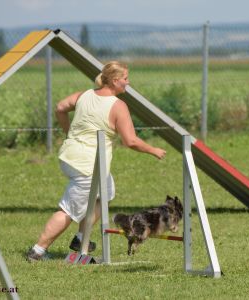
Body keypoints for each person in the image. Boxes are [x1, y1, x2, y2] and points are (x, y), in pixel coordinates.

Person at [27, 61, 166, 261]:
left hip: (70, 157)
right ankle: (37, 251)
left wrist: (69, 132)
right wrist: (154, 150)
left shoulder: (84, 95)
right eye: (126, 79)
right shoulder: (118, 106)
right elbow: (131, 141)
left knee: (105, 192)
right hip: (87, 166)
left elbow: (60, 108)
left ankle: (80, 238)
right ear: (116, 81)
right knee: (69, 210)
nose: (128, 83)